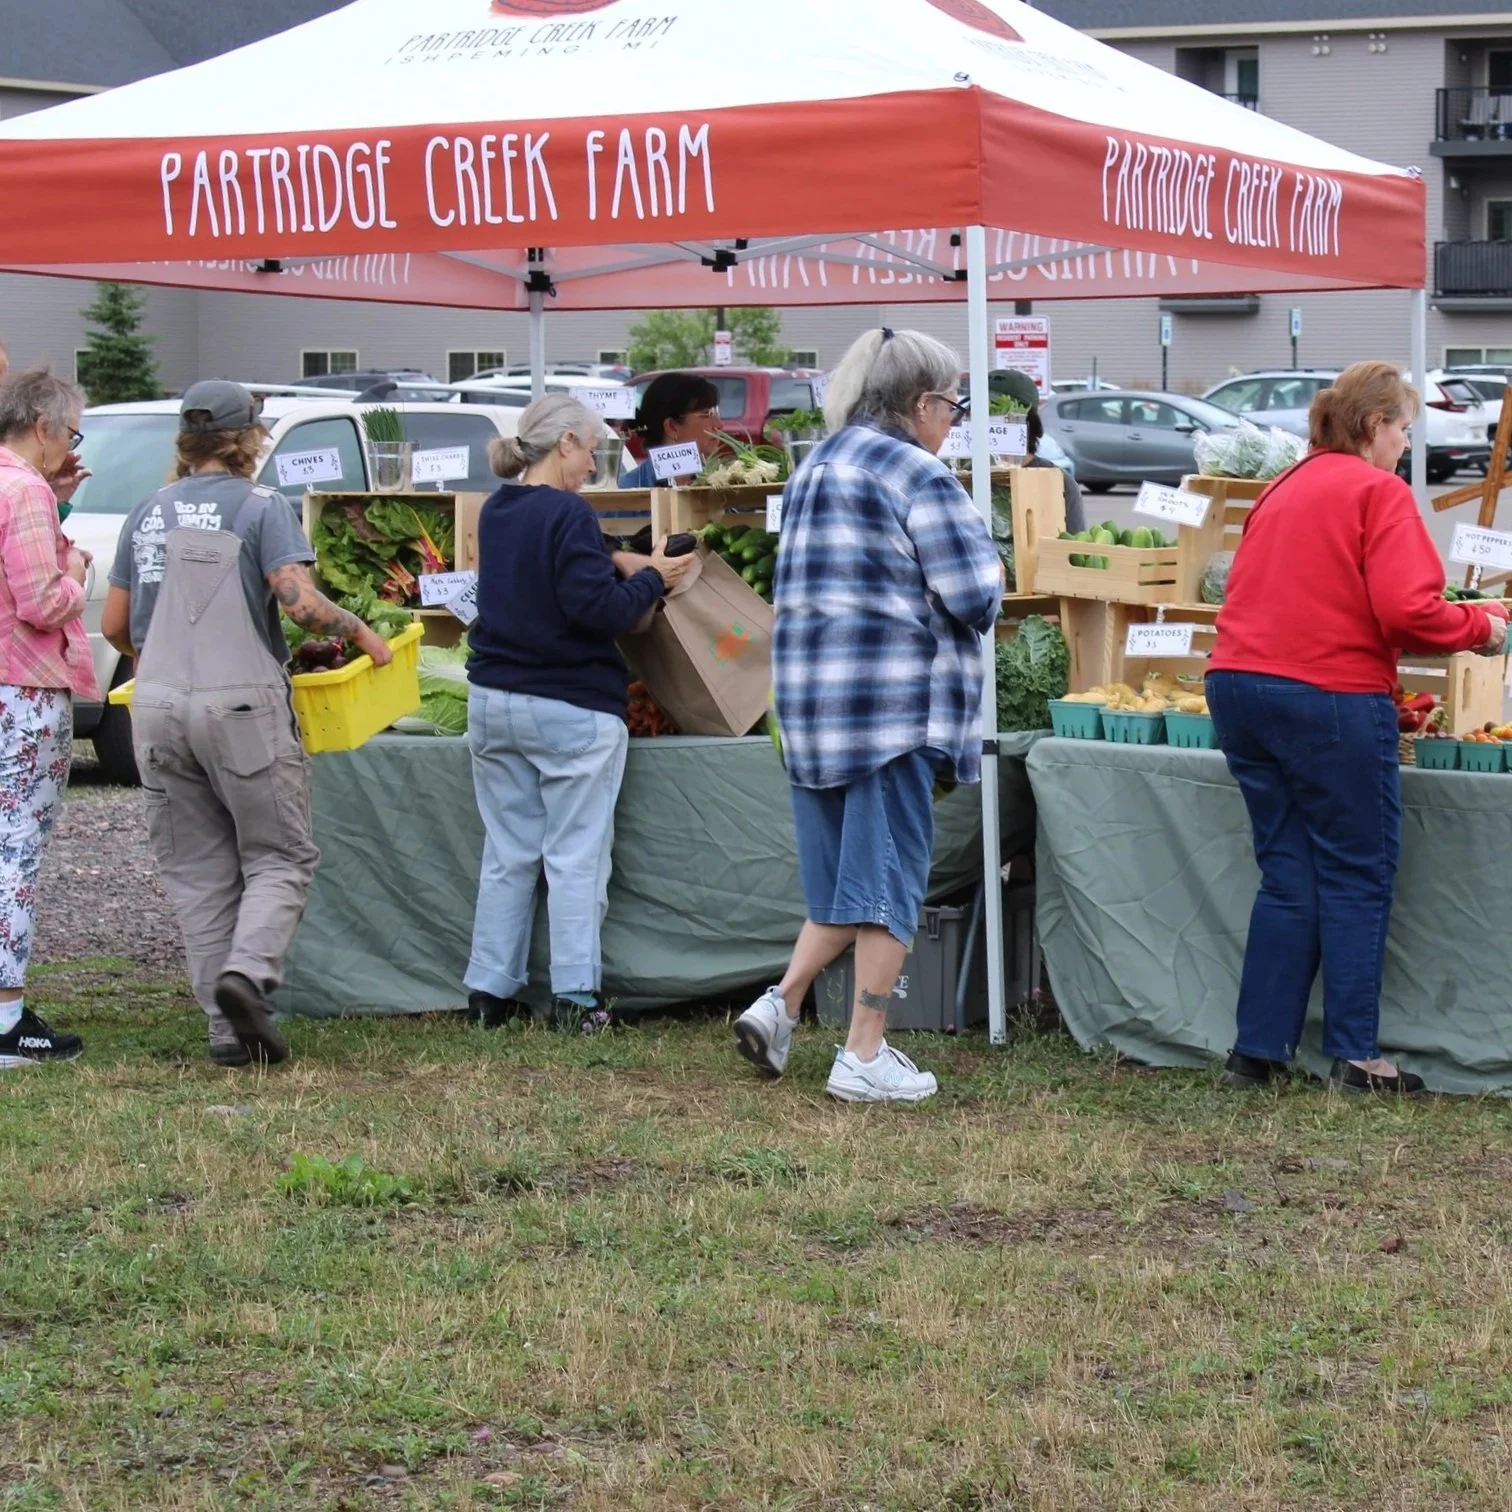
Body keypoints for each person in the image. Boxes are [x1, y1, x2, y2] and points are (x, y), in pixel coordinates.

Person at [1207, 360, 1508, 1096]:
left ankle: (1257, 1052)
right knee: (1356, 872)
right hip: (1329, 693)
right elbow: (1409, 611)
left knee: (1288, 873)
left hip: (1237, 685)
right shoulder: (1379, 492)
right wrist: (1486, 625)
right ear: (1375, 426)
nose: (1406, 443)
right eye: (1405, 427)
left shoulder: (1284, 484)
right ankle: (1355, 1056)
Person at [732, 328, 1002, 1103]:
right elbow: (975, 594)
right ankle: (864, 1051)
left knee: (843, 888)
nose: (954, 419)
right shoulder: (916, 473)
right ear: (921, 402)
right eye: (952, 403)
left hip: (813, 711)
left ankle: (779, 1006)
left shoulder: (816, 463)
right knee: (888, 888)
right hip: (893, 708)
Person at [101, 381, 393, 1068]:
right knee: (279, 854)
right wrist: (364, 635)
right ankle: (250, 974)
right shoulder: (262, 506)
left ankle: (225, 1031)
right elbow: (297, 603)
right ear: (248, 438)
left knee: (198, 869)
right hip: (239, 705)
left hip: (156, 704)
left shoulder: (146, 512)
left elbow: (116, 626)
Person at [465, 394, 694, 1031]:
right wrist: (654, 579)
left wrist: (621, 555)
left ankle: (489, 992)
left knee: (508, 853)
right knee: (576, 857)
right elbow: (605, 612)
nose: (595, 460)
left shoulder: (497, 509)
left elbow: (567, 560)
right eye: (592, 447)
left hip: (492, 701)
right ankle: (575, 1000)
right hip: (566, 706)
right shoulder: (567, 512)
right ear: (564, 441)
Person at [0, 370, 99, 1067]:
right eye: (72, 431)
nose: (71, 443)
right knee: (15, 852)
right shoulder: (24, 489)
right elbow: (39, 599)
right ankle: (6, 1019)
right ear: (44, 425)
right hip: (25, 692)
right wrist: (80, 578)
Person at [987, 368, 1086, 533]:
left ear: (1026, 419)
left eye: (995, 411)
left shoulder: (1057, 482)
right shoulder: (964, 477)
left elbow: (1073, 550)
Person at [619, 373, 723, 486]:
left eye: (716, 413)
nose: (719, 425)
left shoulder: (722, 483)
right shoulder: (626, 491)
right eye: (707, 414)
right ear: (671, 427)